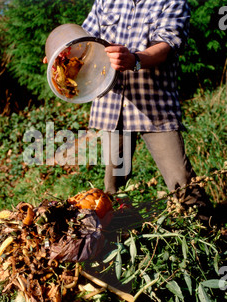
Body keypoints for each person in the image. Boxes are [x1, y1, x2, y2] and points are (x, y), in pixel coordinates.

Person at [80, 0, 212, 215]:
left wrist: (134, 60)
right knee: (113, 187)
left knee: (182, 181)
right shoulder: (106, 1)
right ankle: (118, 236)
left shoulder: (173, 2)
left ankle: (209, 233)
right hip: (112, 105)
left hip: (154, 104)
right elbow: (84, 43)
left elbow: (166, 48)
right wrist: (62, 55)